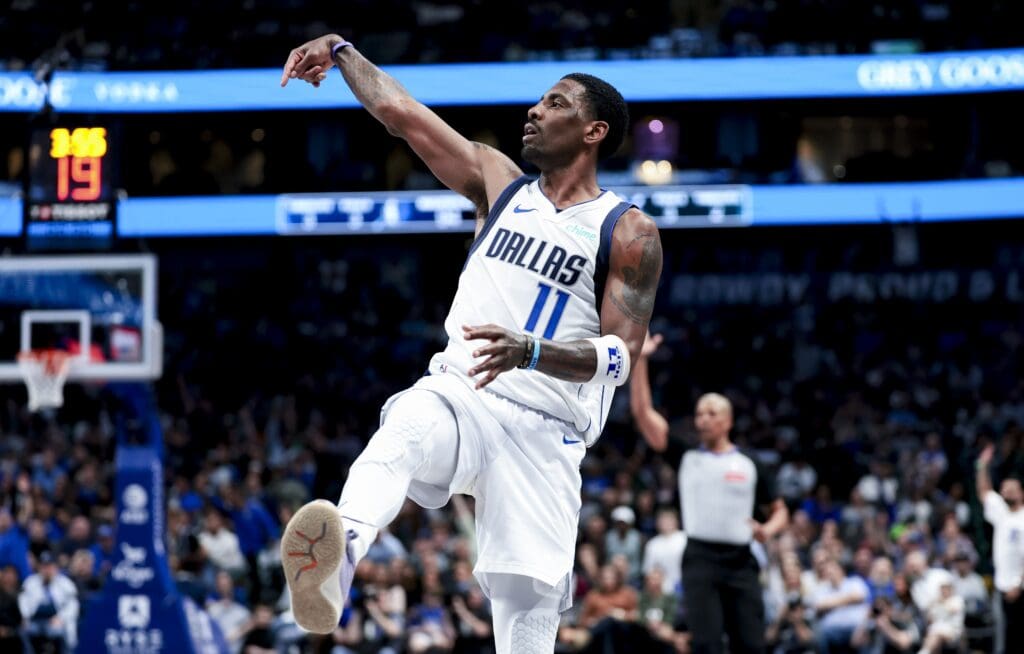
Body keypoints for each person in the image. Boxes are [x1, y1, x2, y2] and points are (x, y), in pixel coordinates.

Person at [278, 31, 662, 654]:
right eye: (538, 101)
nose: (534, 111)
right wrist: (343, 51)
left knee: (526, 619)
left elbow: (620, 357)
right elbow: (404, 117)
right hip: (468, 391)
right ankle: (337, 554)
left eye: (556, 103)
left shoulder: (628, 231)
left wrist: (532, 351)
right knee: (403, 428)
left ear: (594, 132)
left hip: (547, 428)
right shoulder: (499, 182)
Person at [629, 332, 789, 653]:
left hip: (741, 562)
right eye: (699, 413)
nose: (702, 419)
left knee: (752, 644)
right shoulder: (687, 456)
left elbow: (780, 510)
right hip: (700, 559)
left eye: (711, 414)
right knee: (706, 645)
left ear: (728, 421)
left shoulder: (749, 463)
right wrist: (642, 359)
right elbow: (643, 413)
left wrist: (766, 530)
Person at [976, 444, 1024, 654]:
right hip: (1002, 586)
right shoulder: (1002, 514)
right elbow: (984, 492)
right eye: (1003, 488)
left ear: (1021, 492)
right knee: (1003, 639)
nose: (1005, 491)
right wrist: (982, 465)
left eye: (1011, 489)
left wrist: (1019, 584)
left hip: (1020, 586)